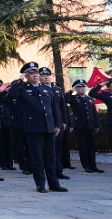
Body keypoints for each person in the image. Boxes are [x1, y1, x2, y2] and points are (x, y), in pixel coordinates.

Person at [8, 62, 67, 193]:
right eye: (31, 73)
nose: (35, 75)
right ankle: (40, 184)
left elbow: (54, 108)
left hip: (49, 127)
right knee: (37, 158)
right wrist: (19, 80)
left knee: (50, 158)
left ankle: (54, 184)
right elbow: (11, 94)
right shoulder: (22, 88)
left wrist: (57, 124)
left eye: (36, 72)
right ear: (26, 76)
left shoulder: (46, 89)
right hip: (34, 128)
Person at [65, 79, 103, 173]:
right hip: (80, 126)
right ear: (76, 88)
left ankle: (93, 166)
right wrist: (71, 91)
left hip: (90, 125)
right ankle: (86, 166)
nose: (82, 89)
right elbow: (65, 99)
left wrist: (97, 125)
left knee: (92, 146)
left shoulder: (89, 99)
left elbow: (94, 113)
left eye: (83, 87)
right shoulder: (73, 98)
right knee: (83, 147)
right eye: (79, 87)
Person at [40, 67, 71, 180]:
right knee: (47, 149)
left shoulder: (57, 89)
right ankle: (48, 171)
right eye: (43, 75)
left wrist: (65, 122)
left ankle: (58, 171)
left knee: (58, 148)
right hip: (46, 123)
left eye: (48, 75)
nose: (46, 77)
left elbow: (63, 107)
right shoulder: (39, 89)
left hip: (59, 123)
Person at [0, 79, 16, 171]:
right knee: (0, 145)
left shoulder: (6, 96)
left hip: (8, 123)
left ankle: (10, 163)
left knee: (9, 144)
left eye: (0, 86)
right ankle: (2, 163)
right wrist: (5, 91)